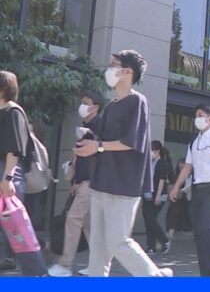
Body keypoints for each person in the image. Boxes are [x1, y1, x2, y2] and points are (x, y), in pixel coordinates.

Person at [73, 50, 172, 277]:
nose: (109, 68)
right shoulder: (110, 106)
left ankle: (155, 278)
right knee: (98, 249)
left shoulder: (138, 102)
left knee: (118, 241)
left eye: (114, 64)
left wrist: (98, 147)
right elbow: (104, 144)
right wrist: (89, 145)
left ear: (128, 71)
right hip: (101, 183)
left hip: (124, 184)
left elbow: (132, 141)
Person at [169, 104, 210, 277]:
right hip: (198, 190)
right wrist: (176, 186)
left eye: (201, 115)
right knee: (198, 232)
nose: (197, 118)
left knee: (205, 228)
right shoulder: (194, 142)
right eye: (196, 115)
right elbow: (187, 167)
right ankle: (205, 272)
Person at [49, 91, 104, 277]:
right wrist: (73, 180)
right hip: (83, 182)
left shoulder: (99, 126)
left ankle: (64, 265)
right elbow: (78, 156)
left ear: (95, 107)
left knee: (74, 219)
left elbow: (103, 150)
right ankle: (97, 265)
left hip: (92, 182)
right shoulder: (85, 126)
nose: (82, 105)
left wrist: (92, 138)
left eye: (86, 102)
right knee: (87, 225)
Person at [0, 71, 48, 276]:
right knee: (13, 228)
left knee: (16, 227)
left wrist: (7, 178)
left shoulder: (13, 112)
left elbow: (14, 150)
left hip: (7, 172)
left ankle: (36, 270)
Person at [142, 141, 173, 255]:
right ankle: (151, 247)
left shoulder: (162, 163)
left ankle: (164, 240)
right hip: (147, 195)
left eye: (153, 149)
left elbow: (162, 179)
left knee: (151, 219)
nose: (151, 152)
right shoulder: (148, 163)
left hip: (158, 195)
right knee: (147, 220)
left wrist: (158, 195)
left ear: (158, 150)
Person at [166, 158, 192, 237]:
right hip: (177, 197)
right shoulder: (175, 173)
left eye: (183, 163)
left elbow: (189, 185)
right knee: (174, 213)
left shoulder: (189, 174)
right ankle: (171, 231)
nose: (181, 165)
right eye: (180, 163)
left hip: (185, 196)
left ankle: (178, 230)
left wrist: (181, 191)